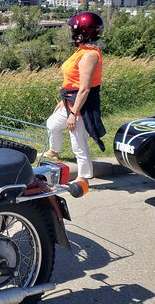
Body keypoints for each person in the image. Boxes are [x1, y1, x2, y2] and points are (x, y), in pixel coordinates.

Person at [43, 12, 107, 184]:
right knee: (52, 124)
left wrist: (73, 112)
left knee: (78, 142)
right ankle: (54, 152)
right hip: (70, 100)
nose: (70, 31)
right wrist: (63, 102)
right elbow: (72, 82)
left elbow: (85, 89)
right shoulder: (82, 50)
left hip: (81, 105)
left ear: (82, 32)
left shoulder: (89, 56)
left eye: (73, 28)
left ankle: (83, 178)